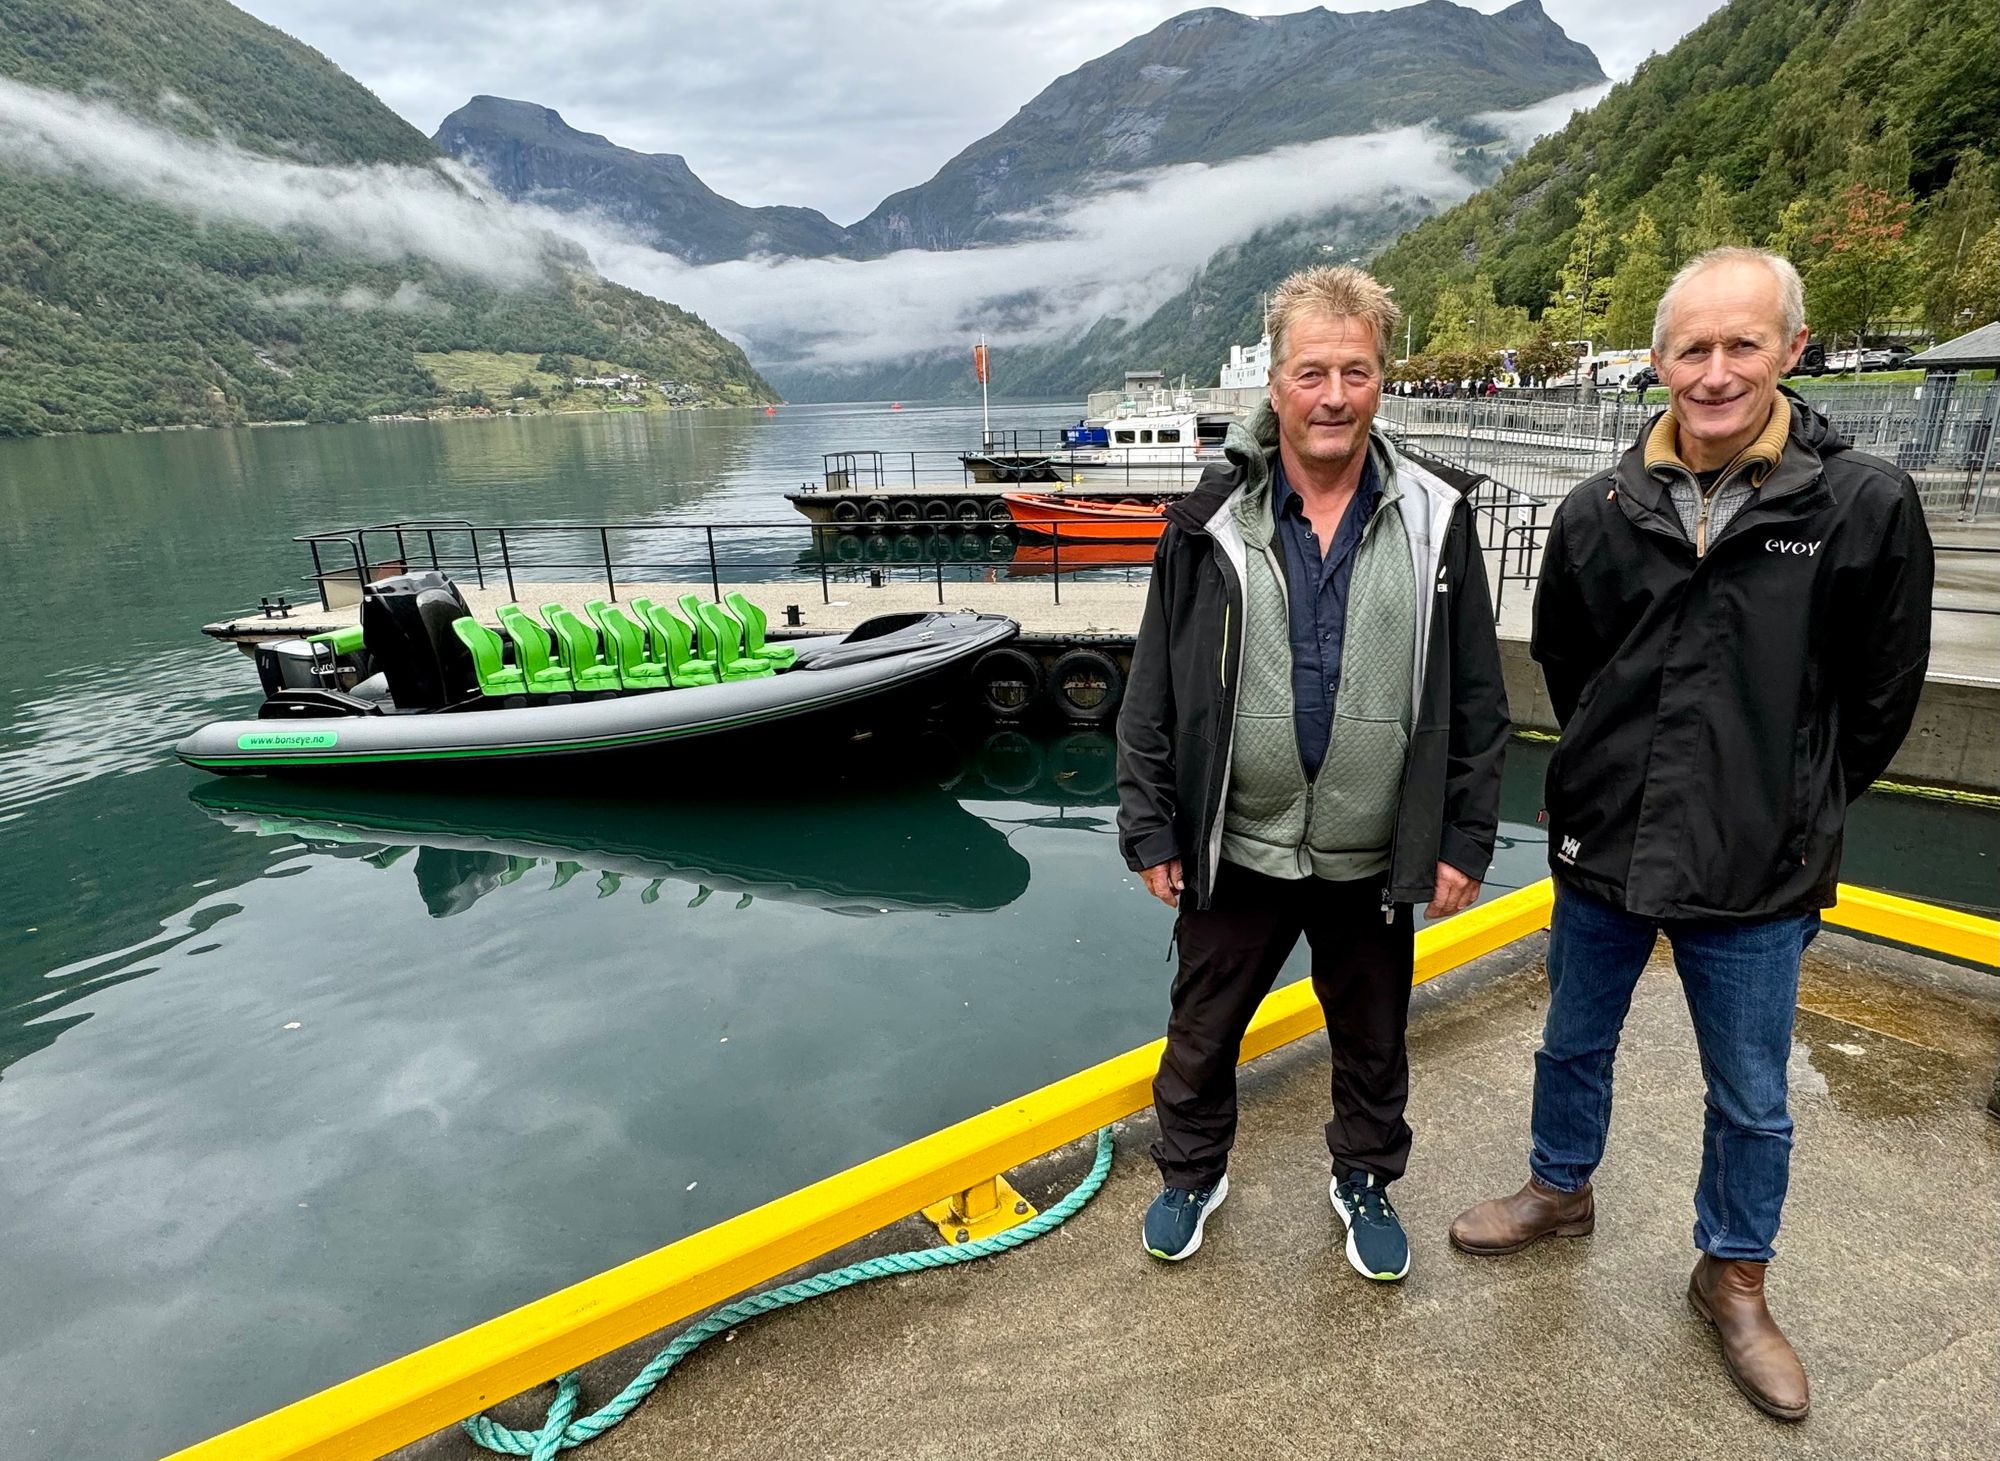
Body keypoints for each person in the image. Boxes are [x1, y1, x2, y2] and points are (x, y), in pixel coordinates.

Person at [1448, 248, 1934, 1420]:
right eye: (1691, 349)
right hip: (1606, 839)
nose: (1714, 373)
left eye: (1740, 345)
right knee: (1570, 1042)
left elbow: (1879, 697)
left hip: (1757, 860)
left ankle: (1733, 1273)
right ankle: (1558, 1190)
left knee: (1751, 1093)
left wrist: (1795, 801)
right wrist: (1610, 774)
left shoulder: (1859, 507)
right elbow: (1570, 667)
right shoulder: (1596, 511)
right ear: (1657, 360)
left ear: (1789, 352)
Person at [1116, 265, 1509, 1281]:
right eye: (1310, 372)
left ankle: (1364, 1177)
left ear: (1382, 379)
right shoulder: (1204, 521)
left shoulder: (1434, 517)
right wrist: (1150, 826)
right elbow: (1152, 683)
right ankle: (1191, 1173)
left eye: (1355, 371)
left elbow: (1474, 694)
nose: (1332, 395)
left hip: (1370, 852)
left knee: (1373, 1040)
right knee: (1200, 1033)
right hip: (1234, 838)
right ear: (1275, 385)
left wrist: (1462, 838)